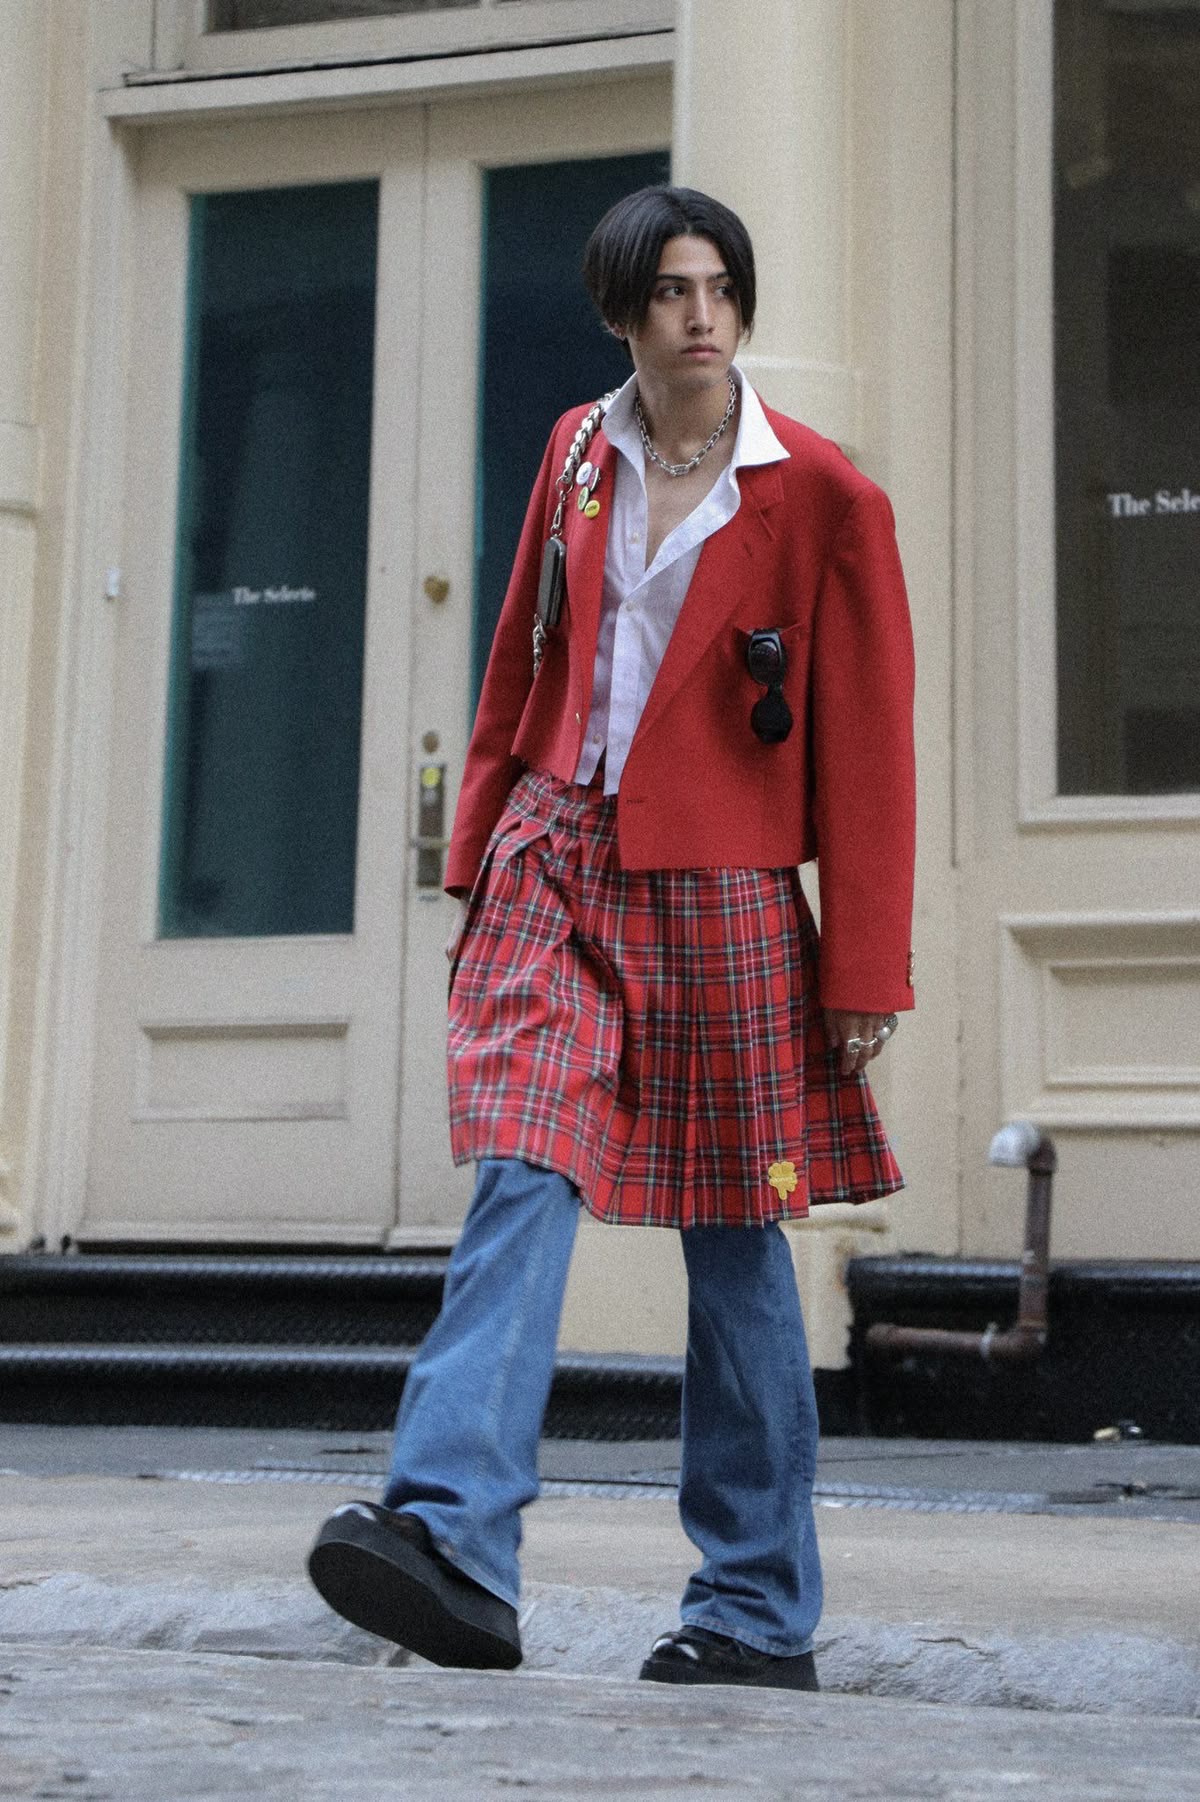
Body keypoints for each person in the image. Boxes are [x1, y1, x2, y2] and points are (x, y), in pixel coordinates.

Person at [308, 185, 915, 1691]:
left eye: (721, 289)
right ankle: (452, 1535)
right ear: (623, 310)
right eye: (671, 292)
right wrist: (477, 854)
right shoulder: (578, 453)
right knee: (521, 1165)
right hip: (556, 855)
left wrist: (863, 967)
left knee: (737, 1244)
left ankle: (756, 1608)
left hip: (724, 891)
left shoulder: (823, 496)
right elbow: (522, 658)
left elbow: (868, 743)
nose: (701, 315)